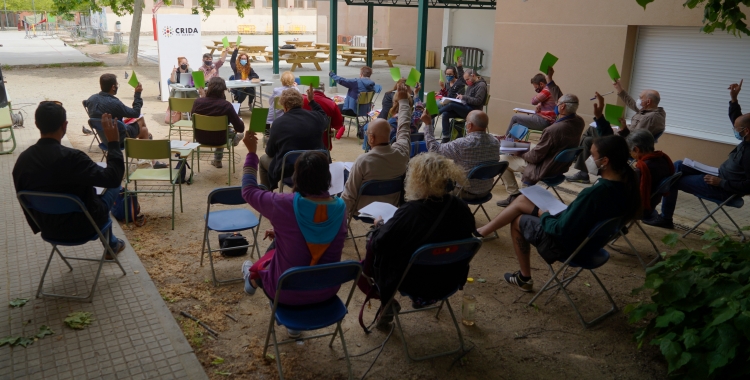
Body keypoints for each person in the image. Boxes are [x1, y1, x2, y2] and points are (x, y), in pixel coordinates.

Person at [477, 135, 640, 291]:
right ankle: (481, 233)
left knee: (518, 220)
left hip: (567, 245)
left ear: (605, 161)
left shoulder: (595, 194)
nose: (588, 159)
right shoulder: (628, 186)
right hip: (590, 242)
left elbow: (560, 230)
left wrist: (544, 214)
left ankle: (524, 278)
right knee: (521, 201)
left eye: (592, 155)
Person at [240, 136, 346, 338]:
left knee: (273, 261)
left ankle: (252, 278)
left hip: (286, 291)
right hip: (326, 291)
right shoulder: (341, 208)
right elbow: (318, 236)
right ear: (327, 178)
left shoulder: (283, 204)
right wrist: (283, 232)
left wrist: (252, 153)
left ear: (296, 177)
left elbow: (248, 190)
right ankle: (294, 326)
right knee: (285, 246)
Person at [367, 153, 476, 324]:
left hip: (412, 281)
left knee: (375, 244)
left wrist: (379, 225)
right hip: (449, 279)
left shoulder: (410, 212)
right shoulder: (460, 207)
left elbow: (380, 245)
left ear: (417, 179)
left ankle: (386, 304)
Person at [13, 103, 126, 256]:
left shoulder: (22, 161)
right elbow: (113, 177)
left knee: (92, 191)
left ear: (36, 124)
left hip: (48, 227)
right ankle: (111, 245)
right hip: (85, 226)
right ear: (64, 125)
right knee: (111, 185)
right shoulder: (73, 158)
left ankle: (111, 243)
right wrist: (113, 143)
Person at [645, 80, 750, 229]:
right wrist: (734, 98)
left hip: (724, 188)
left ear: (746, 131)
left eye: (736, 129)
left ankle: (662, 216)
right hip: (719, 174)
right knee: (678, 165)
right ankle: (649, 196)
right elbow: (738, 120)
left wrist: (721, 183)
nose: (734, 130)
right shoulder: (746, 136)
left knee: (672, 180)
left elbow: (749, 185)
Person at [567, 79, 666, 183]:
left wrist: (623, 130)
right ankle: (580, 162)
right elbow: (632, 104)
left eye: (640, 98)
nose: (638, 100)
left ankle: (581, 169)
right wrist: (619, 89)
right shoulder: (652, 111)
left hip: (624, 144)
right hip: (624, 136)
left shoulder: (650, 118)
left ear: (648, 101)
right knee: (591, 129)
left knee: (588, 141)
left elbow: (635, 140)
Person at [496, 94, 586, 207]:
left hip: (545, 166)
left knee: (502, 159)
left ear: (562, 107)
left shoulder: (552, 130)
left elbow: (534, 157)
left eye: (557, 103)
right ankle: (512, 148)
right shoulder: (579, 122)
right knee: (521, 145)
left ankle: (514, 194)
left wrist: (520, 152)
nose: (555, 106)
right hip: (559, 163)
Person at [342, 84, 412, 218]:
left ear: (371, 138)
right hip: (392, 207)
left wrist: (340, 221)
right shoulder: (402, 152)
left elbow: (349, 196)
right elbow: (404, 127)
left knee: (345, 176)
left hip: (363, 210)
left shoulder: (363, 161)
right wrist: (403, 101)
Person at [421, 110, 500, 200]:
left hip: (464, 192)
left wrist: (428, 125)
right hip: (486, 191)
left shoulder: (463, 144)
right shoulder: (495, 142)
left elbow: (434, 150)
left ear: (469, 125)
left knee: (434, 173)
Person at [260, 86, 328, 190]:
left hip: (290, 171)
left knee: (263, 159)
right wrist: (312, 101)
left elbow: (270, 152)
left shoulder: (278, 123)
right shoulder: (316, 117)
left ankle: (267, 195)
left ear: (285, 106)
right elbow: (324, 116)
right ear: (301, 103)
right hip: (317, 167)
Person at [192, 77, 245, 169]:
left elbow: (192, 119)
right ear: (223, 90)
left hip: (200, 138)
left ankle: (217, 160)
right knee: (225, 130)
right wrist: (239, 121)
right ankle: (234, 139)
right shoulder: (226, 105)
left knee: (220, 129)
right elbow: (240, 128)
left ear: (208, 87)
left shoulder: (197, 102)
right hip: (220, 139)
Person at [86, 73, 151, 142]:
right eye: (117, 85)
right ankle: (147, 139)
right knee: (141, 120)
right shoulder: (114, 103)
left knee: (144, 130)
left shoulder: (91, 99)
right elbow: (136, 113)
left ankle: (148, 135)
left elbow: (86, 103)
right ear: (113, 87)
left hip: (103, 137)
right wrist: (137, 94)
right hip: (118, 138)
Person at [626, 129, 674, 220]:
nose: (631, 154)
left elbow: (630, 192)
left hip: (639, 210)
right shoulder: (663, 159)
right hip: (652, 206)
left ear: (636, 149)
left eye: (630, 151)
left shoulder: (643, 168)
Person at [505, 68, 562, 134]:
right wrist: (540, 105)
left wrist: (537, 100)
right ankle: (512, 141)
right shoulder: (550, 90)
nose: (535, 89)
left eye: (535, 87)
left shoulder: (546, 90)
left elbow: (533, 101)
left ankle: (506, 139)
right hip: (543, 119)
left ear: (541, 84)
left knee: (515, 117)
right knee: (516, 124)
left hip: (543, 121)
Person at [439, 67, 487, 143]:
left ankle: (436, 113)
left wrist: (464, 97)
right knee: (445, 114)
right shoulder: (471, 83)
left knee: (451, 105)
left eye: (467, 79)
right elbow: (462, 76)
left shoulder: (481, 85)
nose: (466, 82)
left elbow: (478, 101)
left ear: (473, 76)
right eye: (465, 80)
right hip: (465, 107)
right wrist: (461, 99)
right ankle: (446, 137)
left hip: (473, 111)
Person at [302, 83, 344, 150]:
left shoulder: (301, 100)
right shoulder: (331, 104)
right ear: (323, 90)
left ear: (310, 90)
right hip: (323, 143)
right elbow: (338, 125)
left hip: (302, 141)